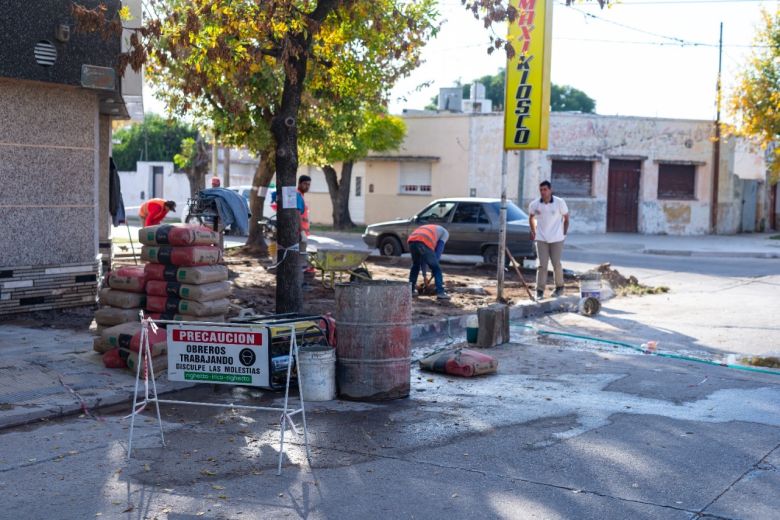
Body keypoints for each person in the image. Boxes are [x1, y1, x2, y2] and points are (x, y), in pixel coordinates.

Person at [528, 180, 569, 299]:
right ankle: (539, 291)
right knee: (542, 265)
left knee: (556, 264)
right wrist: (533, 231)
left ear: (550, 190)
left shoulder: (559, 202)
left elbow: (566, 218)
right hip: (541, 238)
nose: (543, 192)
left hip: (557, 238)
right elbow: (531, 217)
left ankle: (560, 287)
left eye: (545, 189)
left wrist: (564, 233)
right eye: (541, 190)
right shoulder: (535, 204)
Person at [408, 224, 450, 300]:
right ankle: (440, 292)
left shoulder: (431, 228)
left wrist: (424, 276)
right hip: (424, 242)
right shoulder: (445, 233)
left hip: (412, 241)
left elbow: (423, 259)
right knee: (437, 269)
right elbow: (439, 251)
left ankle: (410, 290)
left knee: (416, 265)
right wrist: (434, 268)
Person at [297, 175, 314, 273]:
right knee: (301, 254)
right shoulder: (298, 195)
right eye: (305, 184)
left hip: (302, 232)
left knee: (302, 253)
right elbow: (297, 214)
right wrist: (302, 231)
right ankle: (301, 276)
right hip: (300, 232)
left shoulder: (301, 195)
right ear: (299, 184)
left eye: (308, 185)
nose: (307, 186)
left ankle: (305, 270)